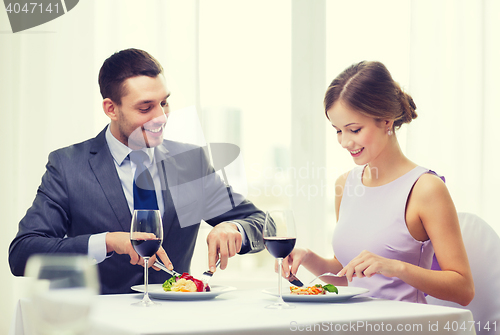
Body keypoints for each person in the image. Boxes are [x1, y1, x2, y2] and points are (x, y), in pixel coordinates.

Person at [9, 48, 266, 294]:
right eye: (145, 108)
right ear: (111, 109)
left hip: (175, 321)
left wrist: (233, 227)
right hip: (98, 323)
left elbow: (263, 223)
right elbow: (22, 253)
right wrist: (108, 241)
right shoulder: (68, 165)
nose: (161, 117)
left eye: (164, 103)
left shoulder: (189, 163)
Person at [282, 61, 474, 305]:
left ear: (386, 120)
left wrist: (396, 268)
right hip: (353, 325)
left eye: (354, 129)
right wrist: (308, 258)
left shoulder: (425, 189)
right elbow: (349, 277)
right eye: (338, 130)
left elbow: (464, 289)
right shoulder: (345, 185)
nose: (344, 142)